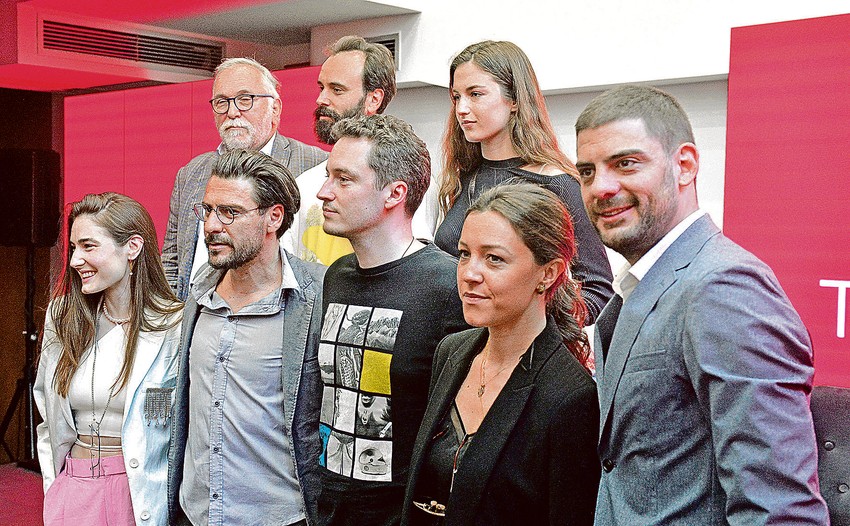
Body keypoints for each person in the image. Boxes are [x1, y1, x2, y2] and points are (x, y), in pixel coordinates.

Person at [574, 85, 829, 525]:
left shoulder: (725, 287)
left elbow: (779, 508)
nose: (602, 187)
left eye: (626, 163)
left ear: (685, 165)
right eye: (587, 172)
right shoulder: (642, 287)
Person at [401, 183, 600, 526]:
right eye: (465, 254)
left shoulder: (569, 396)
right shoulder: (452, 351)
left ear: (547, 273)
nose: (469, 274)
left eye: (494, 259)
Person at [315, 114, 467, 526]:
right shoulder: (337, 276)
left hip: (405, 512)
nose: (324, 192)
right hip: (331, 506)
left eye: (344, 179)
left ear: (395, 194)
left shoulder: (448, 285)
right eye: (329, 176)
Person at [167, 150, 324, 526]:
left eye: (229, 212)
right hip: (196, 514)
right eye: (207, 210)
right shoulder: (198, 294)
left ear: (274, 217)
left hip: (279, 517)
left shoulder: (317, 298)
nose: (211, 226)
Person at [433, 40, 612, 322]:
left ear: (514, 99)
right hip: (452, 341)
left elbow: (597, 293)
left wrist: (528, 326)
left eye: (475, 94)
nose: (462, 109)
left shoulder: (557, 185)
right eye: (456, 97)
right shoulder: (463, 177)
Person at [34, 192, 183, 526]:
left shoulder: (174, 325)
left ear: (132, 247)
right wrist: (53, 487)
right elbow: (47, 416)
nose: (75, 260)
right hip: (73, 488)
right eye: (74, 247)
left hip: (138, 494)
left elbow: (175, 427)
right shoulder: (63, 317)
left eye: (89, 246)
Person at [163, 57, 327, 300]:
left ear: (275, 108)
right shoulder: (191, 173)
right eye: (221, 102)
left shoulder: (315, 166)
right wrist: (175, 314)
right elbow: (172, 260)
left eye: (245, 99)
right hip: (197, 315)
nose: (232, 112)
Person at [286, 35, 436, 265]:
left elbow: (412, 267)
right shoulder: (305, 184)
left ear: (373, 99)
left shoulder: (409, 181)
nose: (321, 99)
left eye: (337, 90)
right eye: (322, 88)